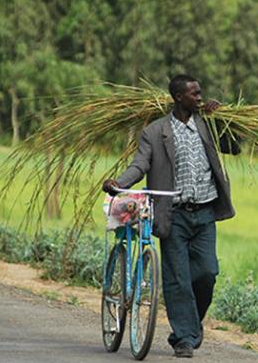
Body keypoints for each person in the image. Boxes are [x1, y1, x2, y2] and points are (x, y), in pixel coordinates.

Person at [102, 74, 240, 358]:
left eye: (200, 93)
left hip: (204, 213)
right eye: (195, 94)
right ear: (179, 97)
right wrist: (120, 183)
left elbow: (234, 147)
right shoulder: (155, 131)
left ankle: (192, 325)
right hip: (173, 215)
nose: (200, 98)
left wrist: (221, 118)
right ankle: (184, 339)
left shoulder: (207, 125)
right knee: (177, 277)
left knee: (207, 273)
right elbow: (140, 164)